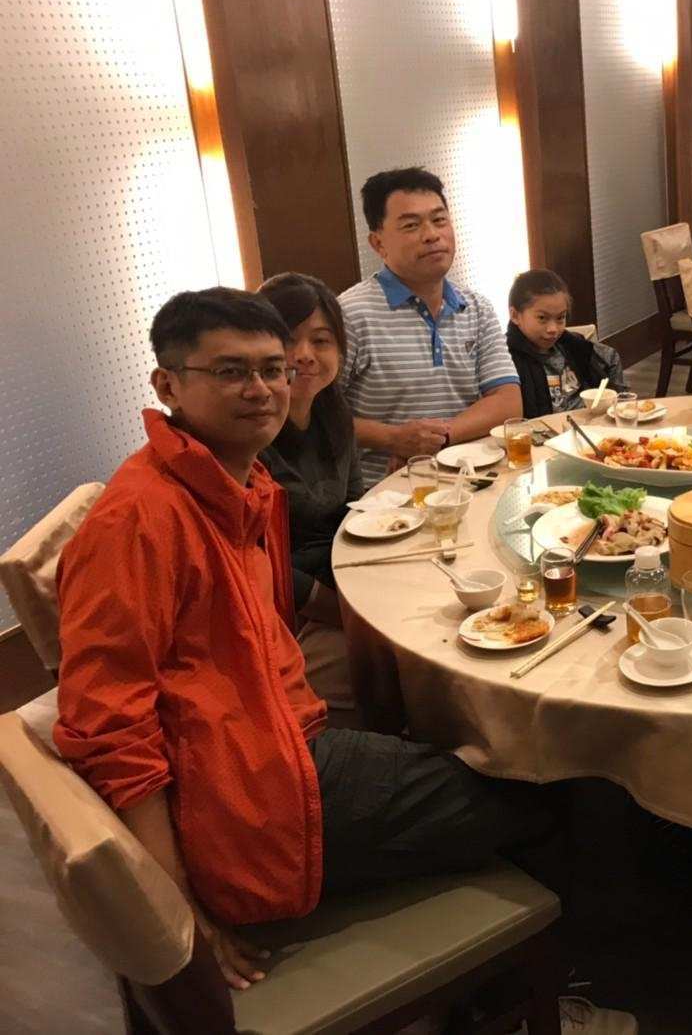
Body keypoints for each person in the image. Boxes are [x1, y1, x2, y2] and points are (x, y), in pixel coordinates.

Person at [52, 291, 553, 992]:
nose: (261, 389)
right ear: (168, 385)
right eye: (230, 372)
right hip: (254, 802)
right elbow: (109, 726)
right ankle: (516, 995)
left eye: (272, 369)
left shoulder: (234, 482)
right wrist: (177, 913)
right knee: (546, 786)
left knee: (482, 737)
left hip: (279, 739)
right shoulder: (140, 520)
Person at [338, 167, 521, 482]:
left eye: (439, 220)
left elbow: (508, 401)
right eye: (411, 225)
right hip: (384, 495)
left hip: (471, 479)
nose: (432, 235)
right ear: (378, 243)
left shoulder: (476, 308)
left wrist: (438, 438)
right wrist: (393, 438)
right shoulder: (350, 314)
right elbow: (314, 417)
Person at [253, 273, 362, 714]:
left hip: (339, 575)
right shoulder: (250, 435)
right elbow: (259, 560)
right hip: (286, 610)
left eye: (321, 340)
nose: (304, 355)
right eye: (287, 340)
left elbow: (354, 508)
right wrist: (343, 611)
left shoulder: (335, 415)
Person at [504, 268, 627, 418]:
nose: (553, 329)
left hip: (591, 426)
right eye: (542, 318)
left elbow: (611, 357)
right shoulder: (505, 360)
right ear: (515, 315)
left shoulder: (572, 345)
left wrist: (619, 406)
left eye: (560, 318)